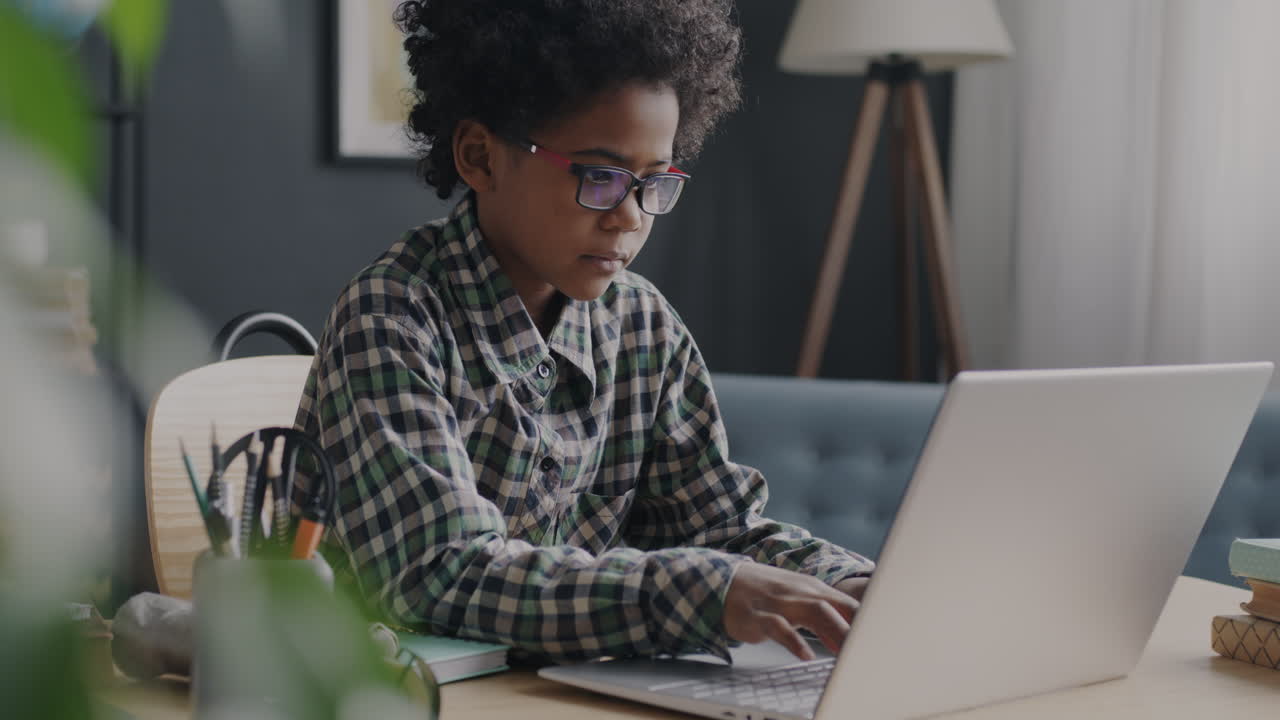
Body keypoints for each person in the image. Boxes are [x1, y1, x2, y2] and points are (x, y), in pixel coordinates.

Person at [295, 0, 873, 663]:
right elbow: (440, 575)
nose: (629, 217)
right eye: (600, 177)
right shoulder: (391, 316)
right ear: (481, 156)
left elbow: (720, 530)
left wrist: (844, 585)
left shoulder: (643, 327)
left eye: (654, 182)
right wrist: (703, 591)